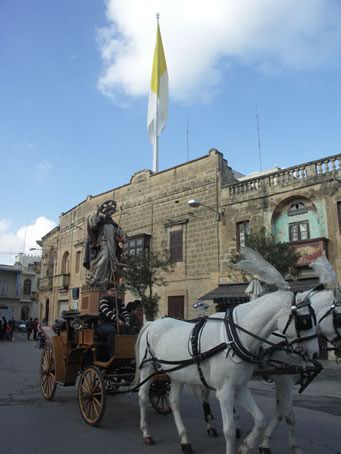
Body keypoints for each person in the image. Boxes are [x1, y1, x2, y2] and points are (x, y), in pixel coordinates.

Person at [83, 199, 127, 288]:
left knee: (110, 264)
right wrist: (97, 213)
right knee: (105, 258)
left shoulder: (112, 224)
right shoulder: (100, 221)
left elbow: (120, 233)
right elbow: (92, 225)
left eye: (112, 213)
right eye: (109, 212)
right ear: (105, 212)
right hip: (103, 245)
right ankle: (95, 278)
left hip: (112, 246)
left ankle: (106, 279)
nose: (110, 214)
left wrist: (123, 236)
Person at [97, 283, 132, 358]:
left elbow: (124, 312)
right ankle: (112, 354)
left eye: (115, 291)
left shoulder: (119, 301)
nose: (114, 292)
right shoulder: (104, 300)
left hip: (116, 323)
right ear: (107, 291)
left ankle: (128, 352)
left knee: (129, 330)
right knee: (112, 331)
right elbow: (106, 311)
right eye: (111, 290)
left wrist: (127, 320)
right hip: (104, 323)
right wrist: (117, 319)